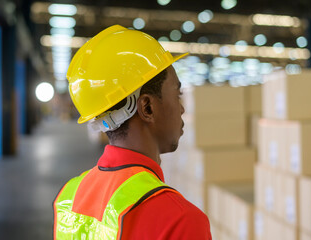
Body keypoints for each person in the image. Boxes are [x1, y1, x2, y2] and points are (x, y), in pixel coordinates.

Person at [53, 25, 212, 240]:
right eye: (177, 93)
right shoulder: (180, 219)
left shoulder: (68, 198)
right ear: (147, 108)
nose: (182, 108)